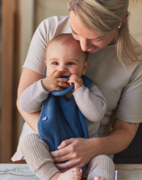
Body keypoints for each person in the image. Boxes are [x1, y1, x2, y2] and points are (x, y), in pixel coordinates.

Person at [12, 0, 142, 180]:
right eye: (75, 32)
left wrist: (91, 148)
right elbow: (23, 102)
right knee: (30, 143)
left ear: (121, 20)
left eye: (97, 38)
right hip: (42, 144)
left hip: (91, 151)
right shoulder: (50, 29)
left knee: (104, 162)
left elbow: (125, 131)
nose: (84, 47)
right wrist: (57, 140)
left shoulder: (138, 62)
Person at [19, 34, 114, 180]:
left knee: (104, 160)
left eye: (70, 63)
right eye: (55, 63)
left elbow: (96, 114)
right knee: (29, 142)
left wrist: (79, 91)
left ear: (84, 67)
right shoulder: (43, 87)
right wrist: (43, 87)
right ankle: (55, 177)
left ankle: (97, 177)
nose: (61, 69)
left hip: (84, 155)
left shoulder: (87, 88)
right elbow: (24, 105)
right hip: (50, 152)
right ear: (46, 63)